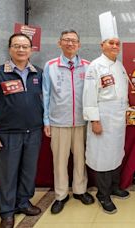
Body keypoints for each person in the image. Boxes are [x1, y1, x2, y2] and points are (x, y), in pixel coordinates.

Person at [0, 33, 43, 228]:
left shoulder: (38, 73)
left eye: (25, 46)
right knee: (8, 174)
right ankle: (7, 211)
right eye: (17, 46)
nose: (21, 50)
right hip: (8, 133)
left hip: (34, 131)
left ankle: (23, 202)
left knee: (28, 171)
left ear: (31, 50)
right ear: (9, 49)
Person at [83, 11, 130, 214]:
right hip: (102, 116)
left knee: (116, 153)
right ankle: (103, 194)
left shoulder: (119, 66)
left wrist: (127, 111)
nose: (114, 46)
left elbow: (123, 93)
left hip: (119, 118)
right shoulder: (95, 66)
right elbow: (88, 95)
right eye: (110, 43)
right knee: (103, 156)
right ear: (102, 45)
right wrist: (94, 119)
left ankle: (114, 186)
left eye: (117, 43)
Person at [43, 30, 94, 214]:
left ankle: (80, 190)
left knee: (80, 159)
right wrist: (46, 121)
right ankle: (61, 195)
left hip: (82, 122)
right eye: (66, 40)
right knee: (59, 161)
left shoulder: (88, 66)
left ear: (79, 44)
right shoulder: (51, 66)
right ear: (59, 43)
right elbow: (46, 94)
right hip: (58, 121)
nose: (70, 44)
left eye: (73, 41)